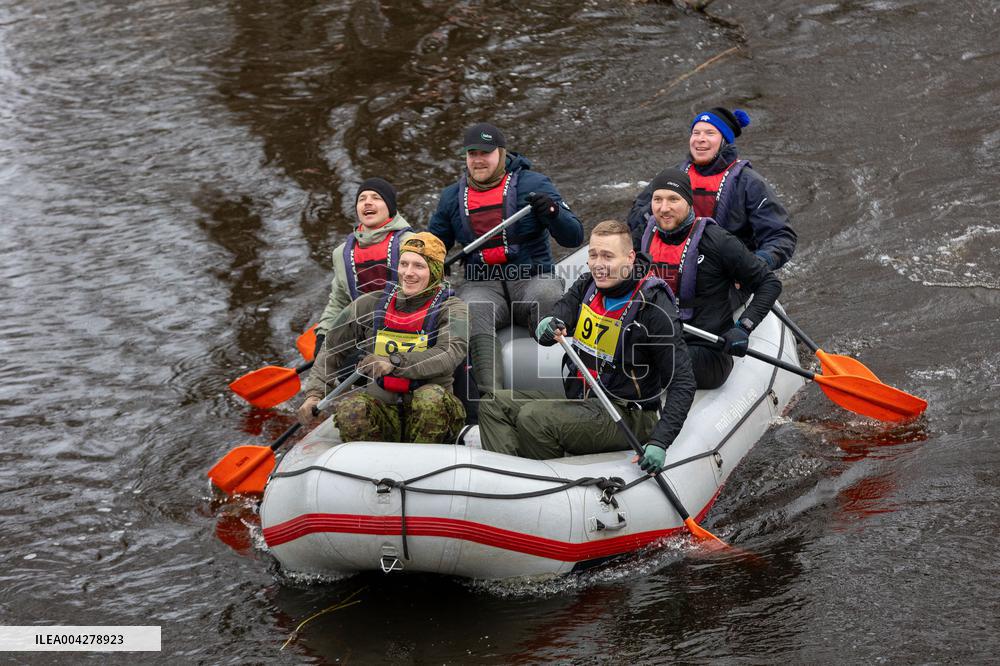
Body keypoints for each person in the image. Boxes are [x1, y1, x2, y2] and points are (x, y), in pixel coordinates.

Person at [477, 221, 696, 475]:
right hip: (585, 398)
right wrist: (547, 324)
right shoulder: (588, 283)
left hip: (628, 413)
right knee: (492, 404)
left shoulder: (655, 309)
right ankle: (508, 477)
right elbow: (562, 312)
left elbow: (683, 382)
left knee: (532, 418)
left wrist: (660, 441)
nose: (598, 264)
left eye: (607, 256)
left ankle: (549, 484)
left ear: (630, 257)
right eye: (593, 255)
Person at [429, 122, 584, 396]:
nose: (478, 160)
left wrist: (552, 212)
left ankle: (566, 384)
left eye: (485, 153)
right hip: (482, 284)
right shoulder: (451, 197)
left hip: (531, 277)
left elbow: (574, 237)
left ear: (500, 153)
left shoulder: (534, 184)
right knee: (471, 309)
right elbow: (434, 246)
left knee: (547, 293)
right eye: (471, 153)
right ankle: (492, 399)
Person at [297, 233, 468, 444]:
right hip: (385, 410)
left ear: (434, 271)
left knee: (429, 399)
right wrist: (314, 394)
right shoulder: (370, 304)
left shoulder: (453, 309)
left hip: (433, 411)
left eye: (418, 266)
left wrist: (394, 361)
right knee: (351, 408)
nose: (408, 273)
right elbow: (332, 347)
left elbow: (449, 354)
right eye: (404, 264)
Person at [634, 168, 782, 389]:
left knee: (643, 366)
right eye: (658, 200)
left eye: (673, 199)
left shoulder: (717, 240)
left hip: (707, 350)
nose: (664, 208)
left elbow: (769, 283)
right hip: (660, 339)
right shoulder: (644, 236)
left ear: (688, 201)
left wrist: (744, 327)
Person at [626, 107, 796, 270]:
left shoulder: (750, 182)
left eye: (710, 133)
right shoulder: (672, 176)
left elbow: (780, 236)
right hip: (669, 264)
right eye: (696, 133)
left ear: (724, 141)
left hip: (726, 271)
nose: (700, 138)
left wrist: (755, 265)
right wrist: (661, 210)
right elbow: (634, 220)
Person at [313, 177, 414, 357]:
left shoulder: (412, 243)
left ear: (390, 207)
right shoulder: (341, 253)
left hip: (410, 328)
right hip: (365, 332)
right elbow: (339, 300)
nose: (367, 202)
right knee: (334, 369)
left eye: (376, 197)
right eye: (362, 199)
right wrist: (323, 334)